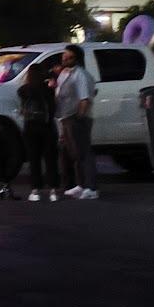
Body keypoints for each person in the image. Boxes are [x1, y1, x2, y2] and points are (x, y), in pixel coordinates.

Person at [55, 44, 99, 200]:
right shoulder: (64, 73)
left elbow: (84, 98)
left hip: (77, 117)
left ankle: (91, 188)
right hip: (66, 117)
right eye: (64, 56)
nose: (65, 59)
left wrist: (80, 116)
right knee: (75, 153)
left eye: (69, 57)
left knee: (84, 152)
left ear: (77, 59)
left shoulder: (81, 75)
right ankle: (80, 185)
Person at [16, 57, 59, 200]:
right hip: (47, 126)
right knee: (50, 158)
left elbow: (22, 102)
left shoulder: (23, 90)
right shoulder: (48, 90)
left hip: (30, 126)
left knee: (34, 159)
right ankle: (53, 190)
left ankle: (35, 190)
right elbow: (53, 109)